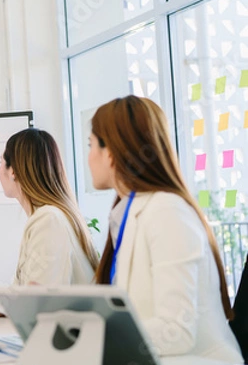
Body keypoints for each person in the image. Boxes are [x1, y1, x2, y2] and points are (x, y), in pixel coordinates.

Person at [88, 95, 242, 361]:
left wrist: (94, 336)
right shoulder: (131, 212)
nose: (88, 157)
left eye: (90, 145)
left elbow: (177, 331)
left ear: (110, 153)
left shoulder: (166, 212)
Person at [0, 128, 99, 321]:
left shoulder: (49, 220)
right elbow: (26, 293)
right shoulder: (52, 216)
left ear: (13, 171)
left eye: (1, 162)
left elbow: (39, 304)